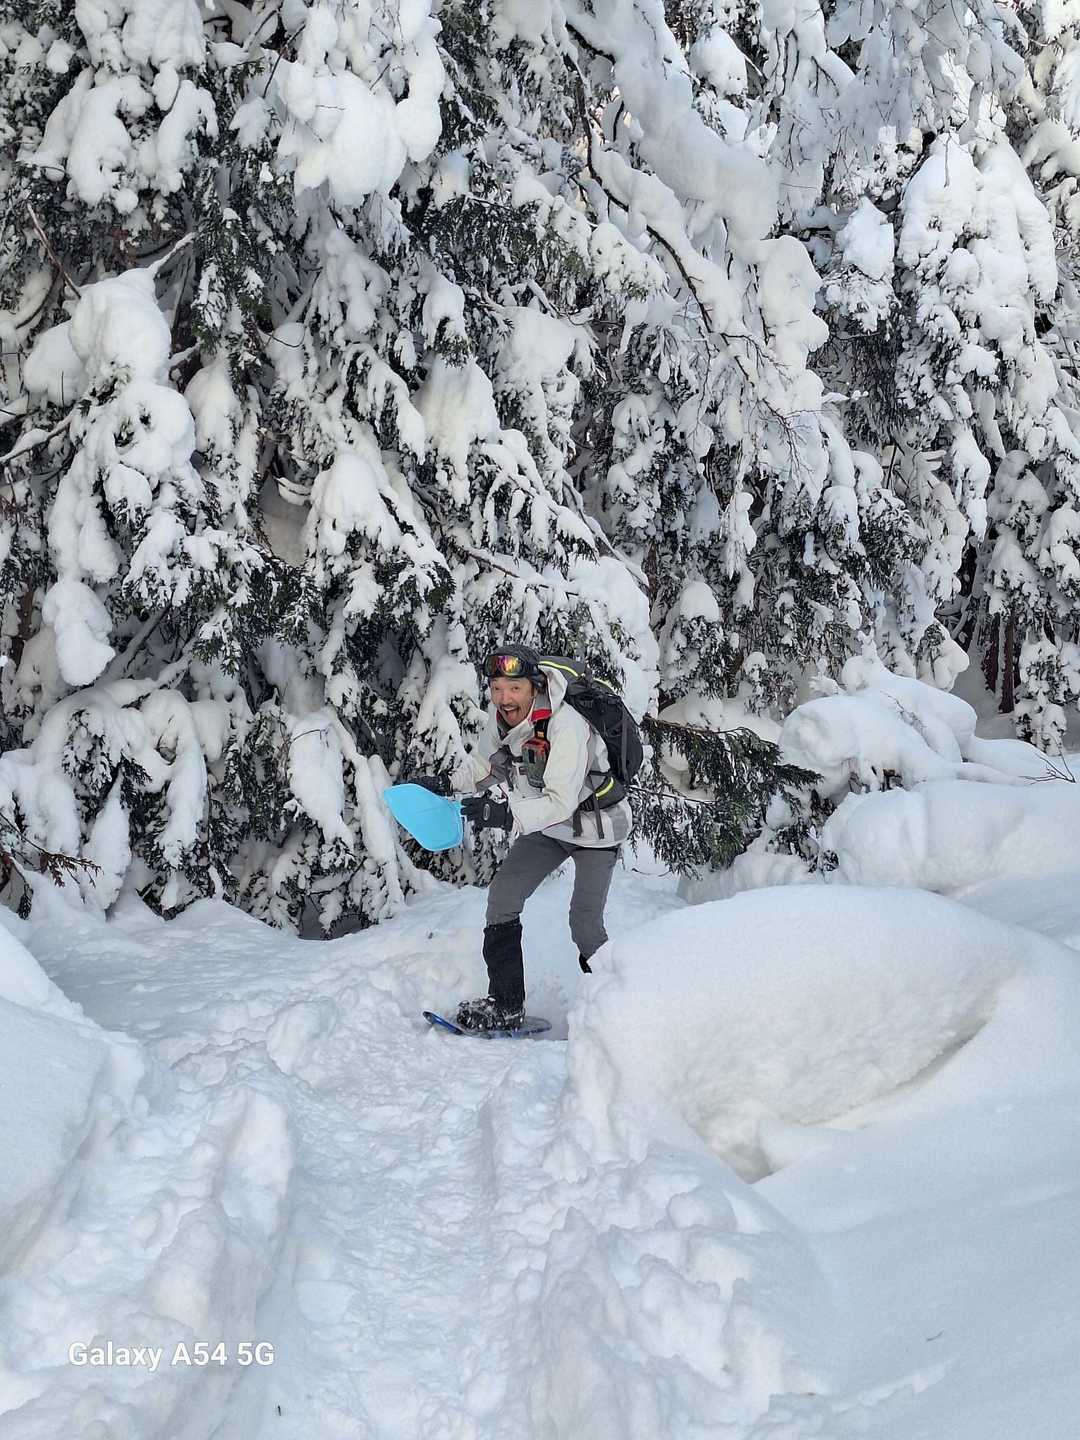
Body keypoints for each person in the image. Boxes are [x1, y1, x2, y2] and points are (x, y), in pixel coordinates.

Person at [418, 643, 632, 1031]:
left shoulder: (567, 724)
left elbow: (561, 801)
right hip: (548, 827)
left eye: (514, 688)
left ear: (534, 686)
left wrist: (505, 815)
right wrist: (447, 783)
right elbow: (486, 766)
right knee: (503, 898)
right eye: (497, 688)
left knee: (584, 923)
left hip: (595, 828)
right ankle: (506, 1005)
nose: (504, 698)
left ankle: (618, 1012)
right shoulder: (503, 718)